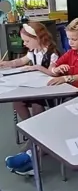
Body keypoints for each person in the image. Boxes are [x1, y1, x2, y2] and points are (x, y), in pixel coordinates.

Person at [3, 23, 60, 176]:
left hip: (50, 92)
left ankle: (35, 141)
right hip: (35, 88)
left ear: (37, 38)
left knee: (37, 105)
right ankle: (32, 132)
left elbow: (53, 73)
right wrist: (5, 64)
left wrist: (36, 68)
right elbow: (19, 62)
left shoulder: (52, 53)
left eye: (27, 41)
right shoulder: (33, 52)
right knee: (18, 102)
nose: (24, 44)